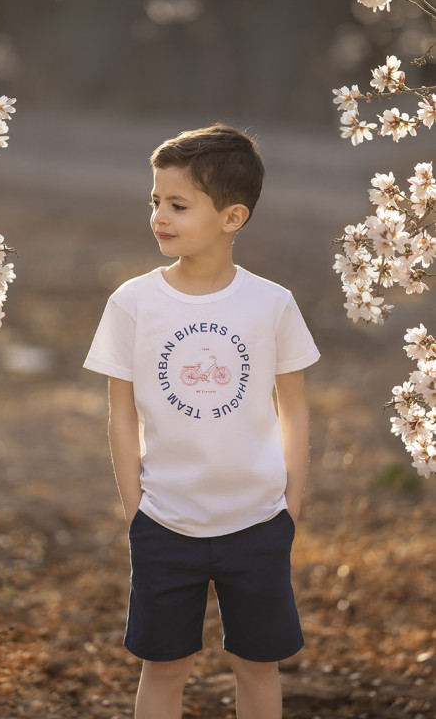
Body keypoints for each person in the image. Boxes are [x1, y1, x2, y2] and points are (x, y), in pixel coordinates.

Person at [83, 123, 320, 719]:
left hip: (259, 522)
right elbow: (120, 411)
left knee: (255, 666)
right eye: (155, 202)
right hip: (164, 521)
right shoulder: (132, 303)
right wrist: (135, 505)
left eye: (178, 205)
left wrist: (291, 503)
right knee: (163, 667)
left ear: (232, 217)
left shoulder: (272, 304)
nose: (159, 216)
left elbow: (292, 406)